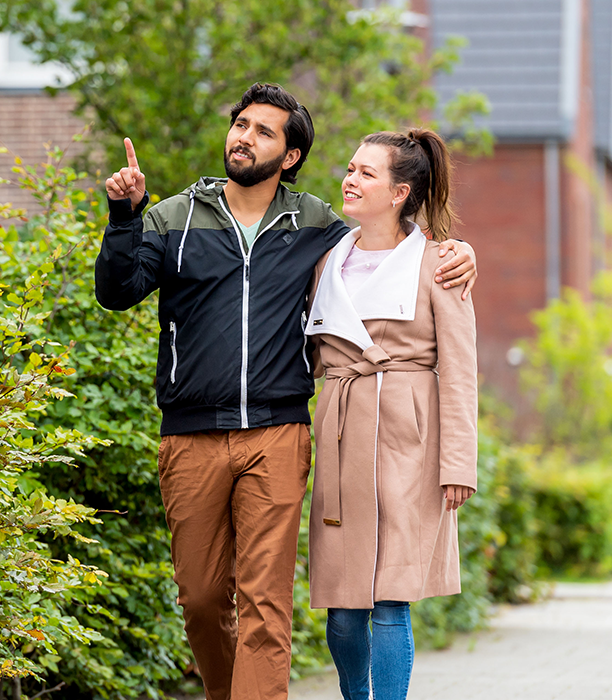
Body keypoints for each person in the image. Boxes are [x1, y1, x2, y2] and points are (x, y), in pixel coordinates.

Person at [94, 83, 477, 700]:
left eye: (262, 130)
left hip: (284, 431)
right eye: (239, 124)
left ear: (290, 154)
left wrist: (459, 252)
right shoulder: (179, 217)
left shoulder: (315, 227)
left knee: (276, 601)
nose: (243, 137)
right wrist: (124, 217)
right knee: (199, 597)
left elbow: (403, 262)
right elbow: (117, 292)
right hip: (198, 432)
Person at [305, 128, 478, 700]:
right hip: (341, 427)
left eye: (365, 173)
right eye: (351, 168)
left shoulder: (439, 263)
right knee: (343, 603)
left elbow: (459, 370)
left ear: (400, 192)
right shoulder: (329, 257)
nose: (349, 179)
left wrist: (457, 464)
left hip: (408, 438)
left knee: (387, 597)